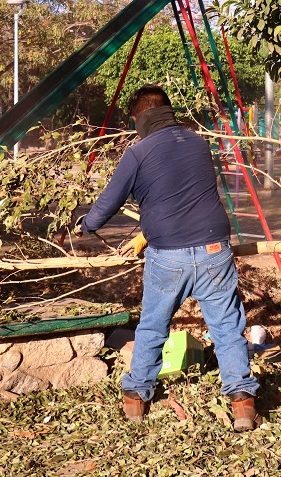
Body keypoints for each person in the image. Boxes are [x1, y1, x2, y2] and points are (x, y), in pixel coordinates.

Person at [73, 84, 260, 431]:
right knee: (227, 329)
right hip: (214, 250)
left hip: (168, 256)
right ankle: (243, 404)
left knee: (153, 325)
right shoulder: (198, 143)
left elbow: (109, 201)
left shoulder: (138, 152)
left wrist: (85, 225)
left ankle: (135, 400)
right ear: (168, 112)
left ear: (140, 117)